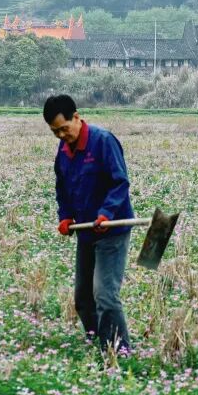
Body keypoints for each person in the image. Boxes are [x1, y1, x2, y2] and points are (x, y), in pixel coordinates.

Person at [43, 94, 134, 354]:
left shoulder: (103, 141)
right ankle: (98, 342)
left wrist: (106, 213)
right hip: (85, 230)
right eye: (54, 132)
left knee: (105, 295)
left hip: (112, 230)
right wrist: (65, 215)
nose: (61, 135)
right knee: (83, 298)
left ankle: (120, 350)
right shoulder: (63, 150)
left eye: (64, 128)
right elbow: (62, 187)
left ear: (77, 117)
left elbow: (120, 182)